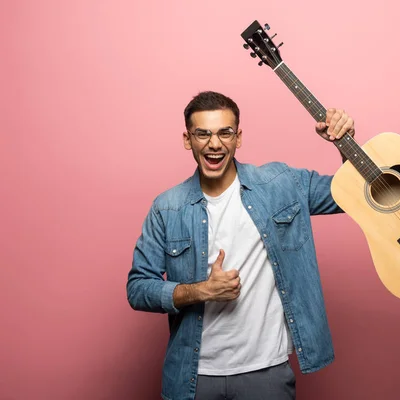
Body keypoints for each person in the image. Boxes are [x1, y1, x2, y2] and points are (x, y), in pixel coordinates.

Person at [126, 90, 355, 400]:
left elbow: (353, 193)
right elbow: (138, 288)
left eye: (225, 132)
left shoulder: (281, 185)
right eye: (203, 134)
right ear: (187, 139)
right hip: (194, 378)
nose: (215, 143)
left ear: (239, 137)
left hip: (266, 375)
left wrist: (345, 143)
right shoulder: (167, 208)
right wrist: (201, 291)